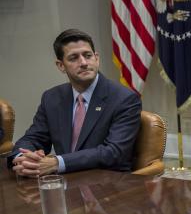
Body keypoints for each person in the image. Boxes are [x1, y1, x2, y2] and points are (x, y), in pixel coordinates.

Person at [8, 29, 141, 177]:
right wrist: (24, 160)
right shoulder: (52, 97)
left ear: (96, 58)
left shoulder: (124, 99)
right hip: (65, 183)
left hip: (107, 184)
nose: (83, 63)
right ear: (61, 66)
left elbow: (113, 152)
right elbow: (33, 138)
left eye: (88, 55)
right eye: (73, 58)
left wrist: (57, 163)